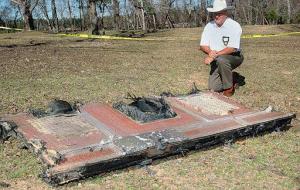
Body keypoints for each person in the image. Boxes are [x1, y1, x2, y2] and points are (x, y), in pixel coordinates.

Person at [199, 0, 244, 96]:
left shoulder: (234, 26)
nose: (216, 16)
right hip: (216, 58)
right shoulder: (209, 26)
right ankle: (233, 78)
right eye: (215, 13)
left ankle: (229, 88)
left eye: (219, 13)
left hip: (233, 57)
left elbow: (232, 48)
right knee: (213, 88)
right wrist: (210, 52)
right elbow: (202, 45)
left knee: (222, 60)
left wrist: (214, 55)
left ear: (225, 13)